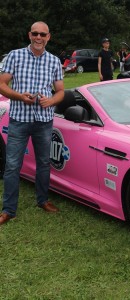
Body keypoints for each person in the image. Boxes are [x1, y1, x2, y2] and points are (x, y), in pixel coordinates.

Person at [0, 21, 64, 225]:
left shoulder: (54, 61)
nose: (38, 37)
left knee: (44, 163)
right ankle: (8, 210)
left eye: (42, 34)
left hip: (44, 121)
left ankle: (42, 200)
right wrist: (20, 96)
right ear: (29, 35)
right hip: (19, 118)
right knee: (12, 165)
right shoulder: (15, 55)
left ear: (48, 37)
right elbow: (1, 84)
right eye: (35, 33)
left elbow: (61, 91)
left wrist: (51, 100)